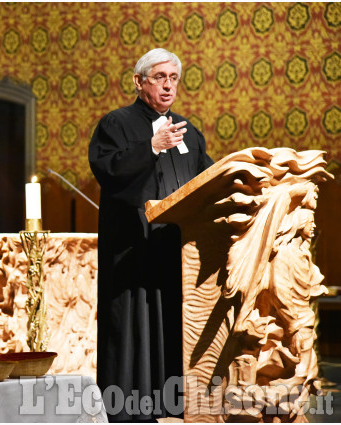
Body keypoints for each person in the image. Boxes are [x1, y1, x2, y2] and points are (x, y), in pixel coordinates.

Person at [88, 48, 214, 421]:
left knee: (174, 329)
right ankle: (127, 413)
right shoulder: (116, 124)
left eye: (173, 78)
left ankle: (172, 406)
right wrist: (151, 148)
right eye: (159, 77)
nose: (168, 85)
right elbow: (108, 171)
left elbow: (206, 180)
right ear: (138, 81)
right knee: (132, 333)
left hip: (175, 253)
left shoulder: (187, 130)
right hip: (133, 252)